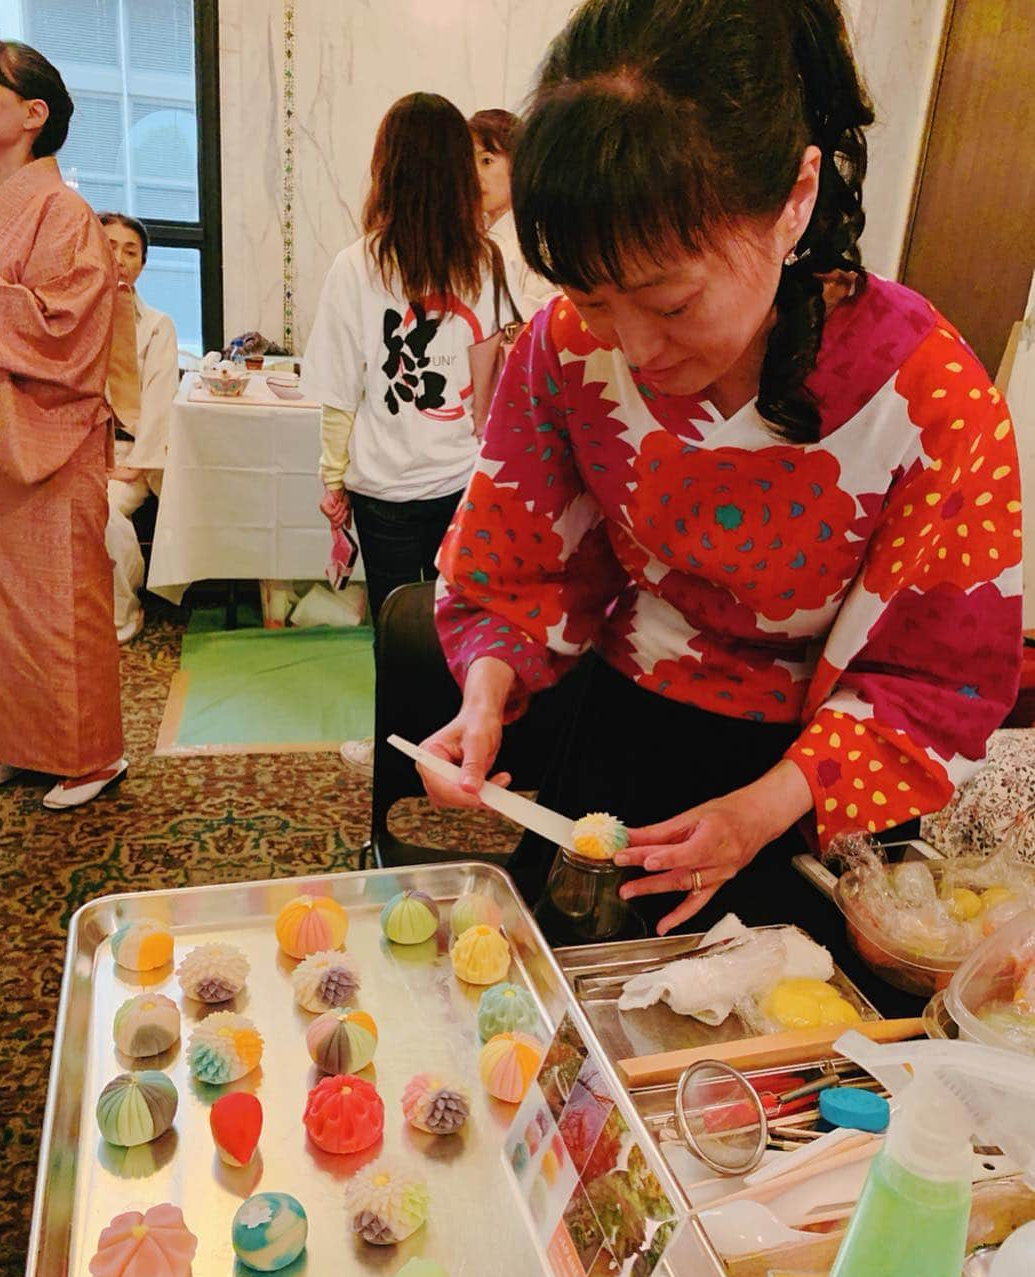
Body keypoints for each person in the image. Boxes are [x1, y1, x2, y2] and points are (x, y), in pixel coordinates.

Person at [419, 0, 1022, 945]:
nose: (631, 345)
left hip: (815, 790)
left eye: (670, 300)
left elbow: (936, 680)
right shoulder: (567, 348)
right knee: (575, 1032)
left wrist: (764, 809)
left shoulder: (929, 398)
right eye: (589, 295)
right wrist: (485, 693)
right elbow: (518, 562)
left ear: (795, 197)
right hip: (625, 736)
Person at [305, 92, 509, 775]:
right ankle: (460, 746)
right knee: (463, 624)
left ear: (385, 167)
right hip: (463, 481)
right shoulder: (484, 261)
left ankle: (398, 760)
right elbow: (488, 385)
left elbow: (337, 393)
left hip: (384, 488)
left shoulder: (354, 265)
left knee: (393, 631)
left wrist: (331, 482)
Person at [0, 37, 128, 809]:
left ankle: (92, 756)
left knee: (59, 602)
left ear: (34, 113)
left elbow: (66, 332)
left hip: (45, 435)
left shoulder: (65, 214)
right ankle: (16, 742)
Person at [99, 211, 180, 644]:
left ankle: (124, 614)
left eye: (131, 252)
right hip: (75, 452)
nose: (120, 258)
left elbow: (161, 403)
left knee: (104, 513)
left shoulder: (157, 327)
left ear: (143, 264)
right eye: (109, 247)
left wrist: (137, 464)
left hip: (130, 453)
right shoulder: (72, 319)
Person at [468, 108, 559, 320]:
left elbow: (548, 306)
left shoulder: (538, 234)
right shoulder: (470, 236)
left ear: (519, 162)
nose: (475, 175)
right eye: (467, 165)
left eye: (486, 161)